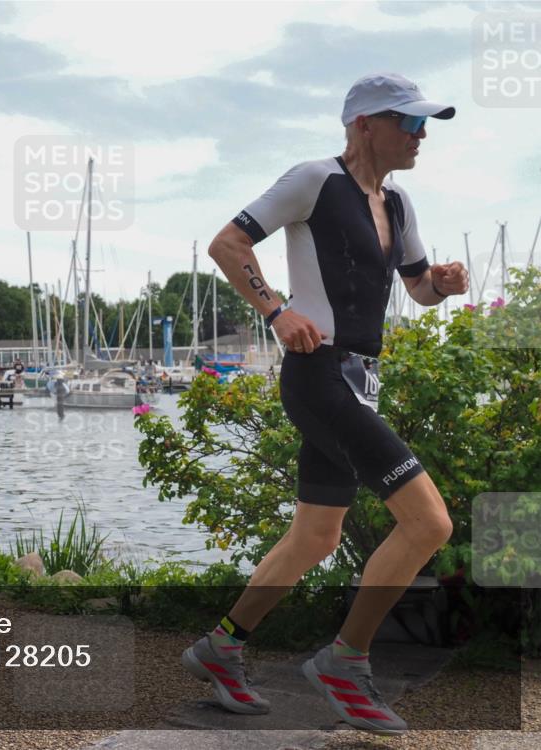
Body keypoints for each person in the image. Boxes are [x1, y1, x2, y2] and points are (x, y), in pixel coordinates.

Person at [181, 73, 469, 735]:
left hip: (359, 380)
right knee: (429, 524)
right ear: (365, 124)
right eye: (410, 122)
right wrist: (276, 311)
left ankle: (221, 647)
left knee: (316, 536)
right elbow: (227, 243)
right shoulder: (314, 180)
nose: (421, 135)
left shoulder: (398, 204)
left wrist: (443, 284)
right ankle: (346, 660)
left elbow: (419, 289)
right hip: (319, 375)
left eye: (424, 124)